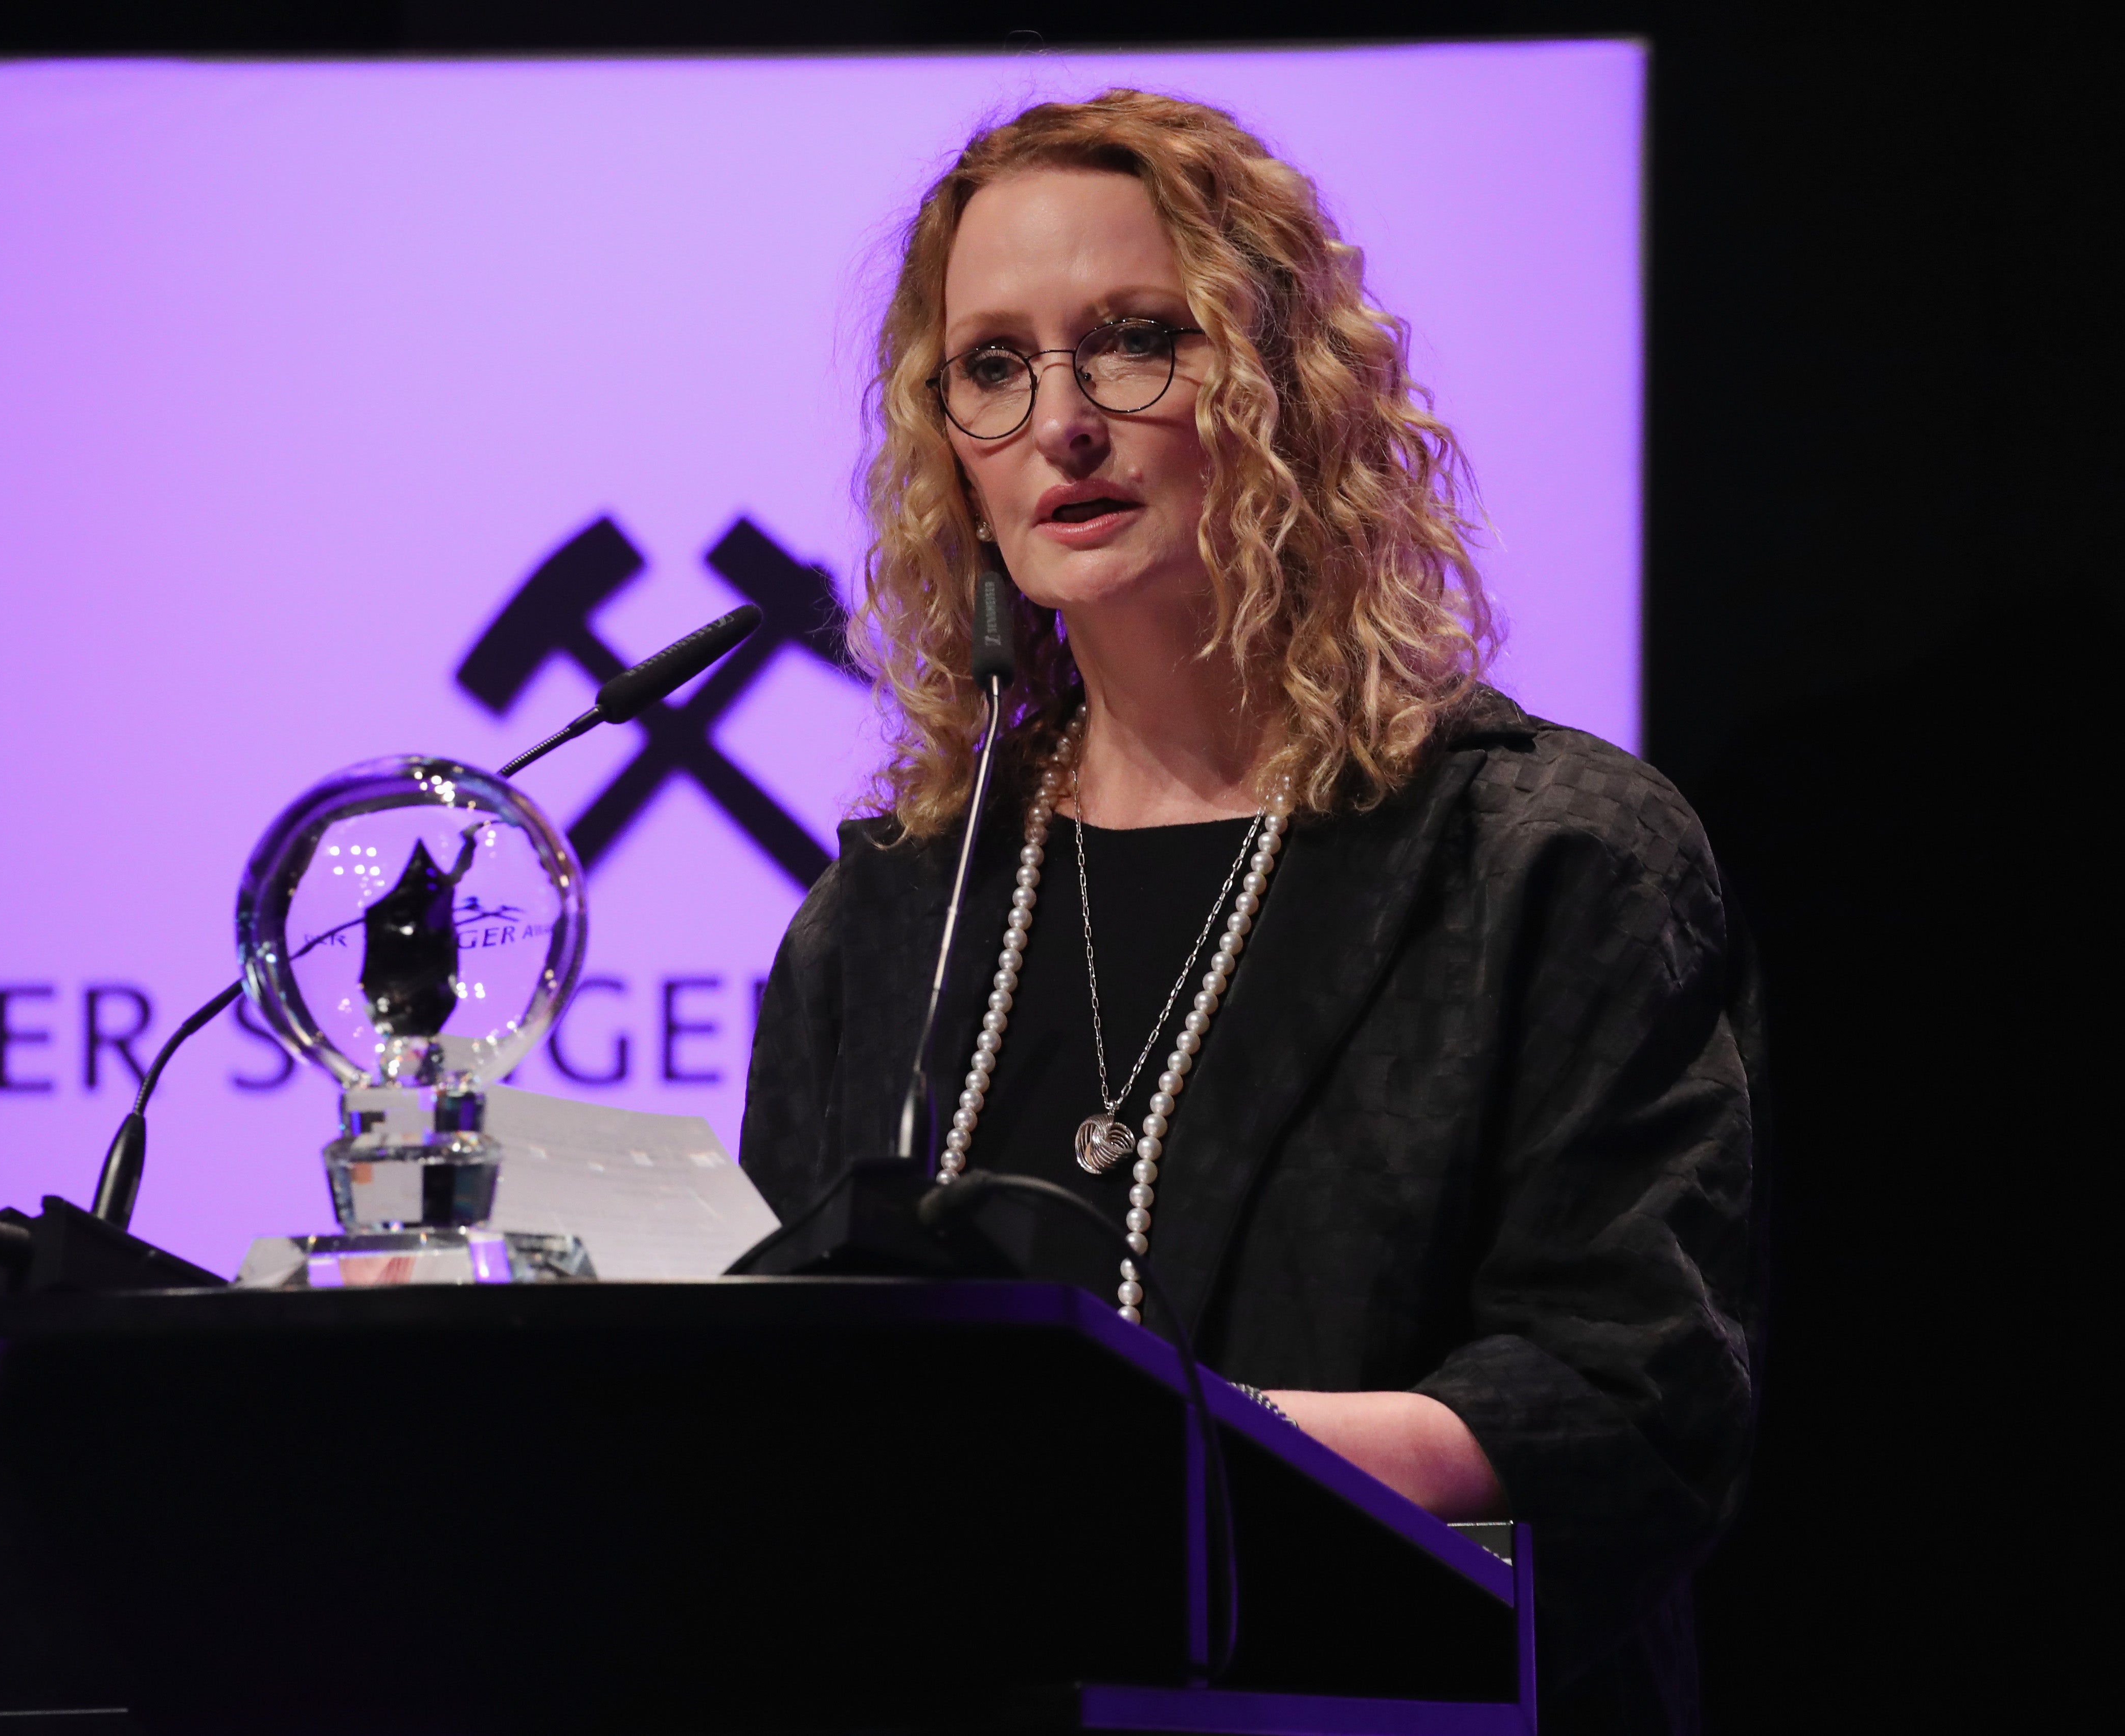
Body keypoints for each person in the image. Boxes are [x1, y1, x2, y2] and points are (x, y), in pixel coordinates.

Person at [740, 90, 1761, 1735]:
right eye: (993, 366)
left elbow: (1625, 1398)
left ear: (1283, 384)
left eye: (1136, 340)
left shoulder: (1548, 854)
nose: (1061, 419)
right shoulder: (894, 913)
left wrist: (1165, 1449)